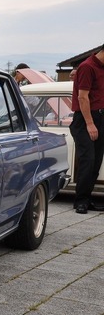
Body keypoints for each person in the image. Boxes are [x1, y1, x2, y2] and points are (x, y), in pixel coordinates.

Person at [69, 43, 104, 214]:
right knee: (88, 160)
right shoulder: (87, 67)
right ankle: (80, 200)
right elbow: (83, 98)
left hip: (101, 117)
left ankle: (87, 198)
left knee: (96, 161)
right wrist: (90, 123)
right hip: (85, 119)